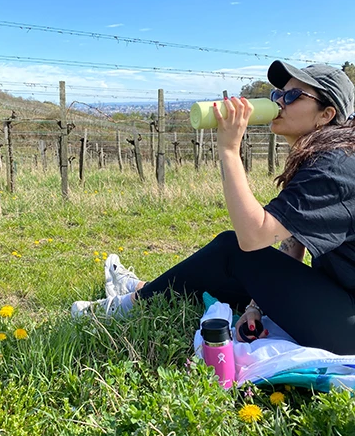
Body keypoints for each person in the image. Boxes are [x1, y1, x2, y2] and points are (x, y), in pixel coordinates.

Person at [72, 61, 355, 354]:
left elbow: (253, 236)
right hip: (337, 294)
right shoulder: (326, 156)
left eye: (293, 96)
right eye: (277, 95)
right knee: (229, 270)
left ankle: (126, 304)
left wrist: (229, 149)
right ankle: (144, 288)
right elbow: (295, 241)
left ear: (327, 114)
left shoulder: (333, 168)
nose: (279, 101)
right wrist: (255, 306)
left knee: (232, 249)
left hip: (349, 325)